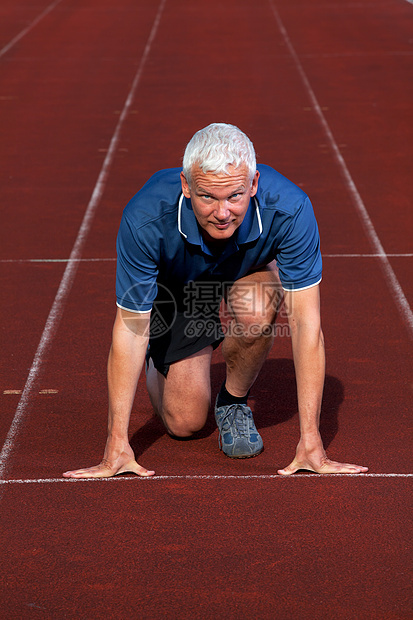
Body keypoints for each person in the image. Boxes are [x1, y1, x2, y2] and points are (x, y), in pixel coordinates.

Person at [63, 123, 368, 479]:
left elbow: (306, 325)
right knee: (185, 422)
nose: (222, 213)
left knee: (258, 308)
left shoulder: (290, 208)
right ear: (186, 186)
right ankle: (158, 364)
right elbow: (131, 330)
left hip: (247, 268)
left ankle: (233, 401)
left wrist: (311, 442)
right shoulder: (144, 218)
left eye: (235, 196)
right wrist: (117, 443)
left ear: (253, 184)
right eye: (207, 197)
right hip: (180, 287)